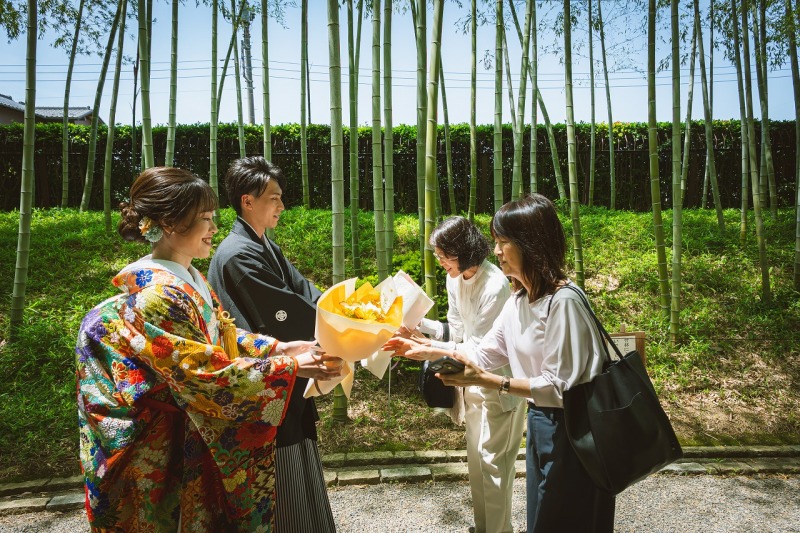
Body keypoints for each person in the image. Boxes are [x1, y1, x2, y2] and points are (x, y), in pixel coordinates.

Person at [76, 167, 343, 531]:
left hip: (187, 427)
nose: (214, 229)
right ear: (170, 224)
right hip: (162, 443)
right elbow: (204, 374)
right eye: (205, 219)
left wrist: (281, 347)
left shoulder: (189, 278)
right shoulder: (159, 294)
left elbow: (225, 338)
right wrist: (289, 368)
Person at [384, 194, 615, 532]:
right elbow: (484, 352)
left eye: (503, 242)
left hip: (576, 431)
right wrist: (423, 348)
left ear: (531, 245)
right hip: (542, 423)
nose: (495, 251)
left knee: (566, 518)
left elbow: (561, 389)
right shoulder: (520, 298)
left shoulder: (563, 304)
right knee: (541, 516)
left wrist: (495, 382)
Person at [207, 156, 335, 532]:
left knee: (298, 453)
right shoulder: (237, 253)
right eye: (274, 198)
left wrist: (347, 313)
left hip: (282, 381)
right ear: (248, 201)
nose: (281, 205)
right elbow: (288, 310)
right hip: (265, 384)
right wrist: (342, 327)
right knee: (280, 478)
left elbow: (304, 291)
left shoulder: (262, 245)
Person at [396, 216, 525, 533]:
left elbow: (480, 350)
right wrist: (417, 322)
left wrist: (430, 349)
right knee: (478, 465)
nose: (439, 263)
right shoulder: (455, 279)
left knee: (495, 468)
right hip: (470, 383)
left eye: (443, 256)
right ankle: (484, 529)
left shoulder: (494, 286)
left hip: (499, 385)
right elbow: (457, 331)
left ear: (463, 250)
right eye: (437, 256)